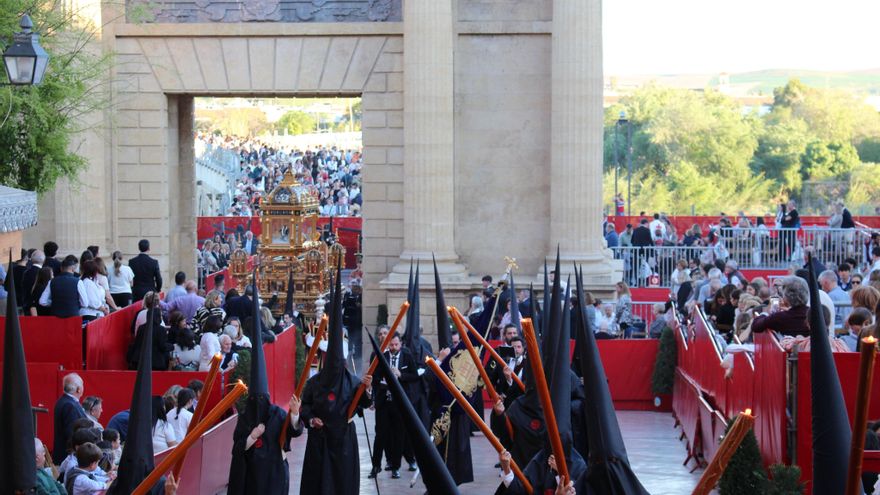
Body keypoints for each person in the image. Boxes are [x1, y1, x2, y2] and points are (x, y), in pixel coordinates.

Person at [370, 332, 417, 479]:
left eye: (396, 344)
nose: (394, 347)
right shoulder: (382, 356)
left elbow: (414, 376)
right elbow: (375, 377)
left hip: (400, 402)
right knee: (380, 434)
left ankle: (396, 467)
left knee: (399, 435)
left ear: (401, 344)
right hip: (384, 401)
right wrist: (383, 381)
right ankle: (375, 466)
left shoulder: (407, 356)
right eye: (391, 345)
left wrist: (400, 375)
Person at [54, 372, 88, 460]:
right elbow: (72, 434)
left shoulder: (63, 401)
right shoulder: (70, 405)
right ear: (78, 389)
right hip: (69, 457)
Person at [343, 280, 363, 362]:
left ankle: (357, 354)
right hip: (349, 320)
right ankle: (349, 350)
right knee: (350, 337)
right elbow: (345, 306)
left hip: (357, 321)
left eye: (356, 288)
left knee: (357, 338)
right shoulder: (348, 295)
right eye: (353, 287)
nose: (354, 289)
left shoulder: (361, 296)